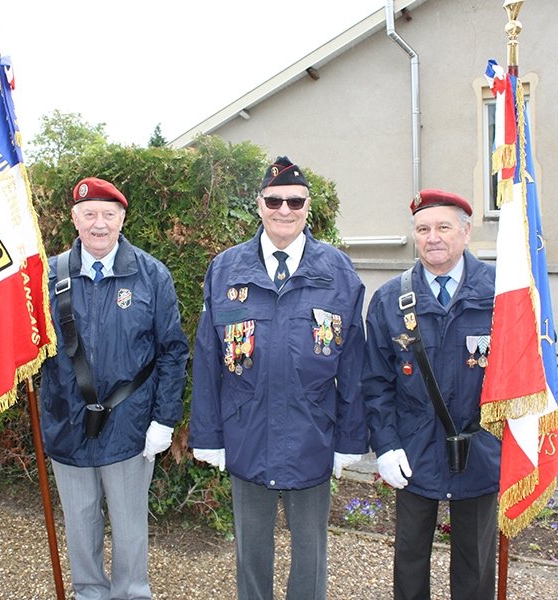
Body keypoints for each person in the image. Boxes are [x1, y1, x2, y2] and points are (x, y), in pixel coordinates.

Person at [189, 156, 369, 600]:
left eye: (294, 200)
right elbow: (209, 356)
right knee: (251, 551)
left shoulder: (338, 271)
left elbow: (353, 364)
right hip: (246, 431)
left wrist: (350, 440)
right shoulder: (227, 269)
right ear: (259, 204)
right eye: (274, 200)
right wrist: (208, 435)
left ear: (309, 207)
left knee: (310, 554)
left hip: (313, 433)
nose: (284, 209)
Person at [40, 176, 189, 600]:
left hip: (130, 426)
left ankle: (132, 594)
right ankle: (89, 593)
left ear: (123, 219)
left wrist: (164, 418)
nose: (99, 224)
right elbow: (29, 347)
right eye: (89, 214)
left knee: (128, 527)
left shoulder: (151, 275)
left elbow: (172, 352)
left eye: (108, 214)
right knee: (80, 524)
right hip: (67, 422)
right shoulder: (48, 276)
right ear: (75, 219)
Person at [362, 189, 501, 600]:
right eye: (423, 229)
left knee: (475, 567)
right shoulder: (390, 299)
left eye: (443, 227)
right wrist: (385, 445)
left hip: (482, 446)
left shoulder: (503, 292)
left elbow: (531, 369)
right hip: (413, 449)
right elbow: (376, 382)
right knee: (408, 561)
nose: (433, 237)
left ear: (465, 231)